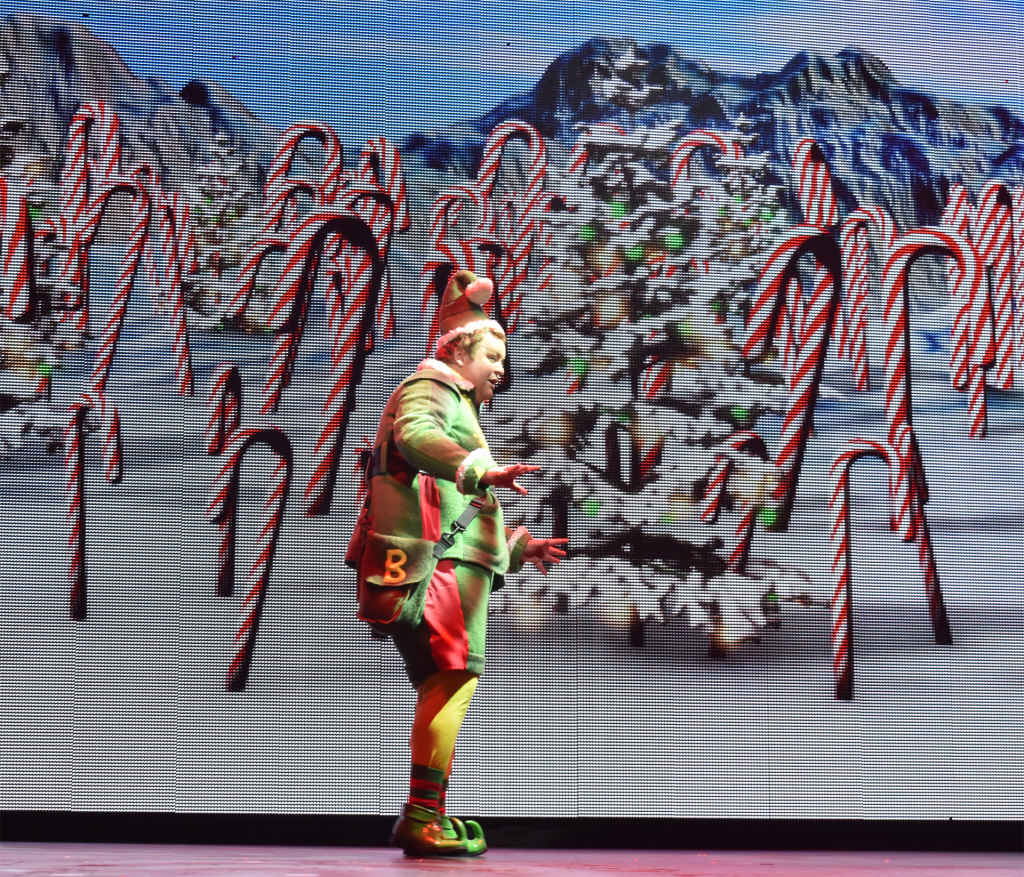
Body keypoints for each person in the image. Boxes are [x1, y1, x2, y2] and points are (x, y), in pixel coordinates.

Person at [347, 269, 567, 857]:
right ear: (456, 351)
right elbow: (417, 437)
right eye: (492, 355)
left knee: (445, 684)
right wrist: (477, 468)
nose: (501, 369)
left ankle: (429, 813)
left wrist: (516, 548)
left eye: (503, 358)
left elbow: (454, 506)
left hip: (447, 564)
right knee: (451, 680)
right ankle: (422, 816)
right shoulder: (431, 387)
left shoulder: (457, 403)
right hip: (442, 571)